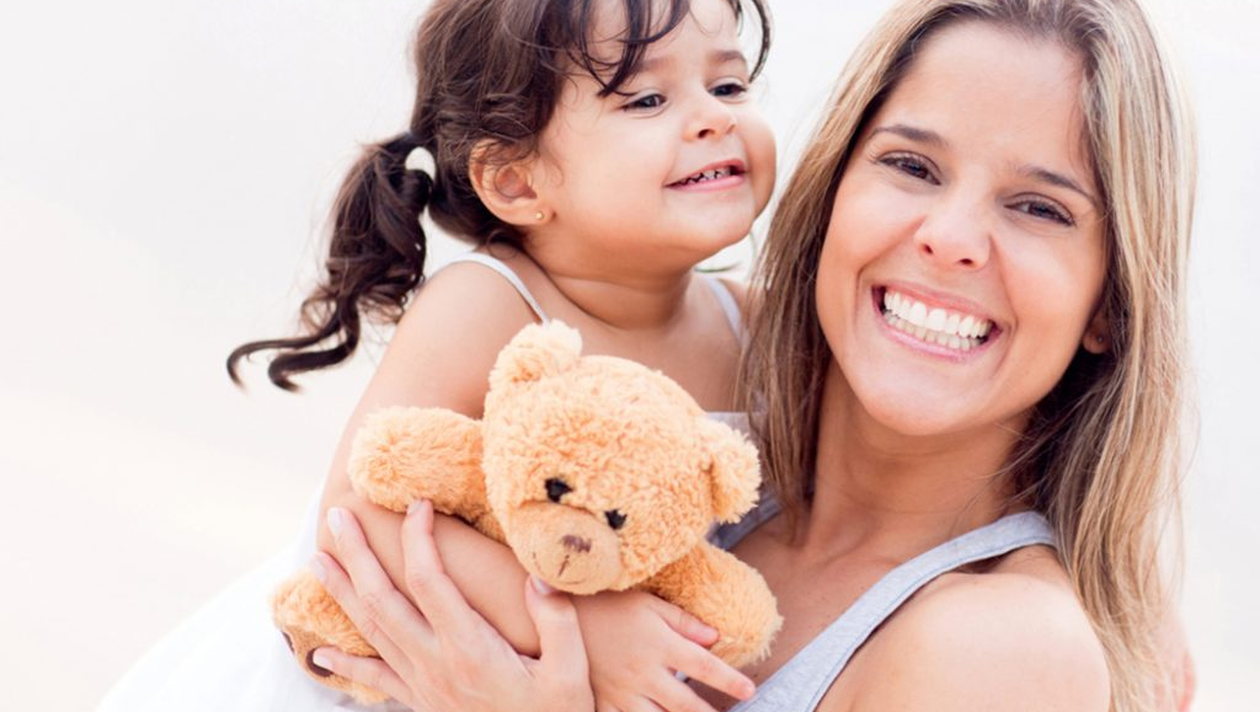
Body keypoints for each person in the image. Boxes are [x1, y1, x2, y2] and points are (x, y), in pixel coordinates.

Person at [312, 0, 1197, 711]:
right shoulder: (719, 404)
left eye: (1041, 209)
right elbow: (355, 521)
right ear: (833, 188)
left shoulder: (1006, 647)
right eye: (912, 167)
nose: (951, 239)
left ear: (1112, 304)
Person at [97, 0, 773, 711]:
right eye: (646, 99)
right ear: (515, 180)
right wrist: (579, 630)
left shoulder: (755, 326)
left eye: (728, 85)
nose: (714, 117)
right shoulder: (489, 303)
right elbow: (356, 515)